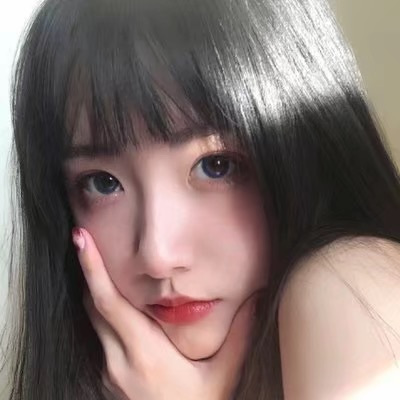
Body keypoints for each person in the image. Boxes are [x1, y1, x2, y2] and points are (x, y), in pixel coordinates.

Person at [2, 0, 400, 398]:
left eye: (216, 165)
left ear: (308, 152)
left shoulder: (348, 284)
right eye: (103, 183)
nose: (158, 256)